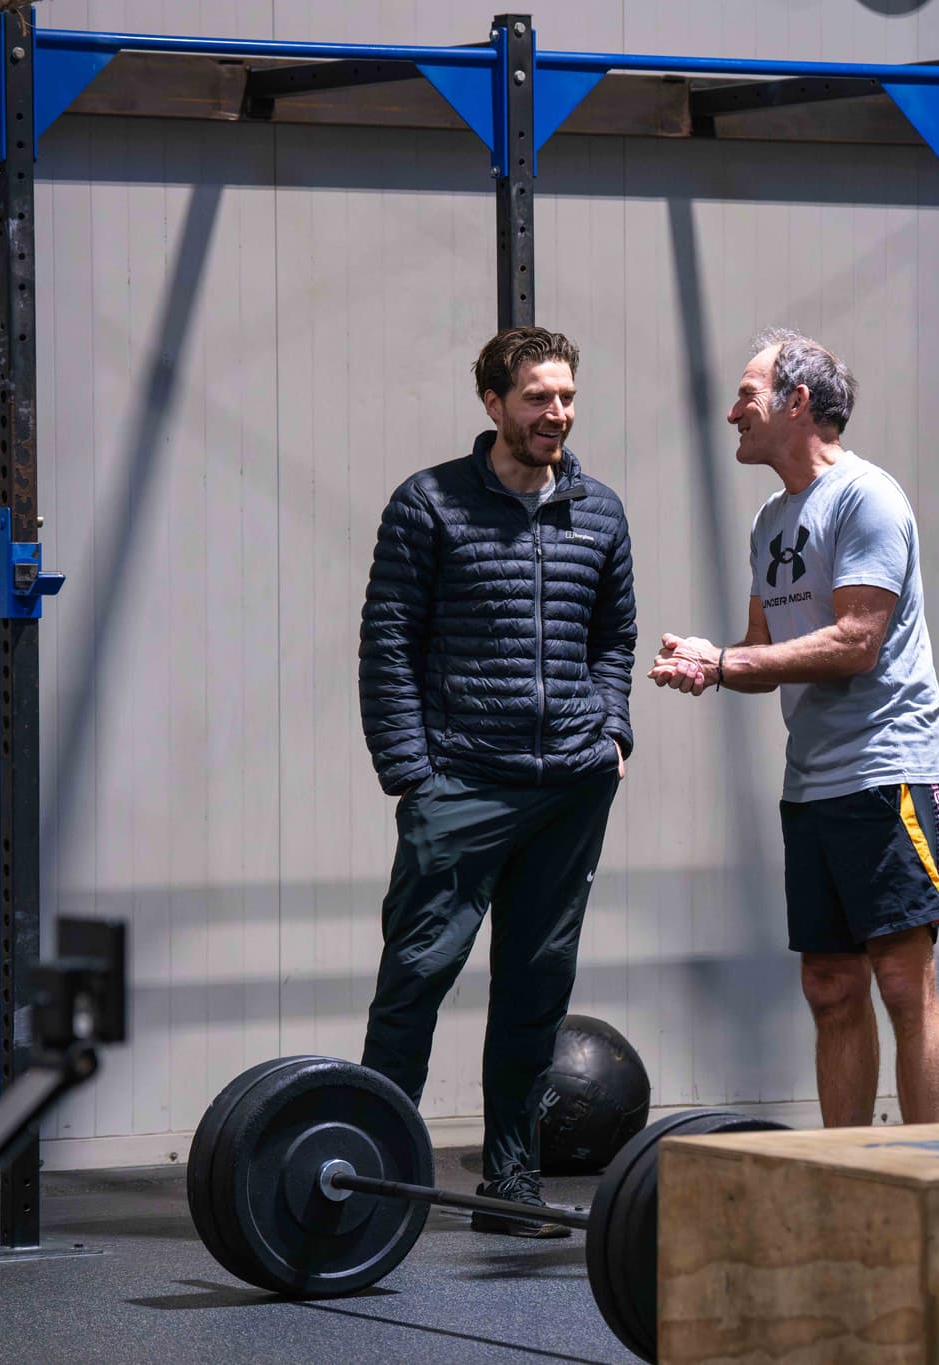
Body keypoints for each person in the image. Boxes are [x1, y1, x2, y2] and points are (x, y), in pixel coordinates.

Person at [358, 325, 635, 1235]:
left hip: (570, 789)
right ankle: (370, 1178)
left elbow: (615, 637)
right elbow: (389, 641)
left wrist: (613, 728)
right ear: (493, 404)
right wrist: (413, 773)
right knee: (415, 977)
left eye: (566, 397)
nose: (556, 414)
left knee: (534, 990)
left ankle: (509, 1185)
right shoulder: (429, 504)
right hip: (463, 784)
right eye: (536, 399)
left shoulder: (599, 510)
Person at [652, 328, 939, 1127]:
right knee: (829, 982)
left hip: (889, 769)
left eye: (747, 395)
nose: (731, 413)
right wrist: (705, 662)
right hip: (813, 779)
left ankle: (934, 1176)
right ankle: (847, 1177)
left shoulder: (867, 497)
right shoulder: (770, 522)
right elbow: (764, 652)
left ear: (795, 401)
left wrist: (726, 663)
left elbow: (857, 643)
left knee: (900, 979)